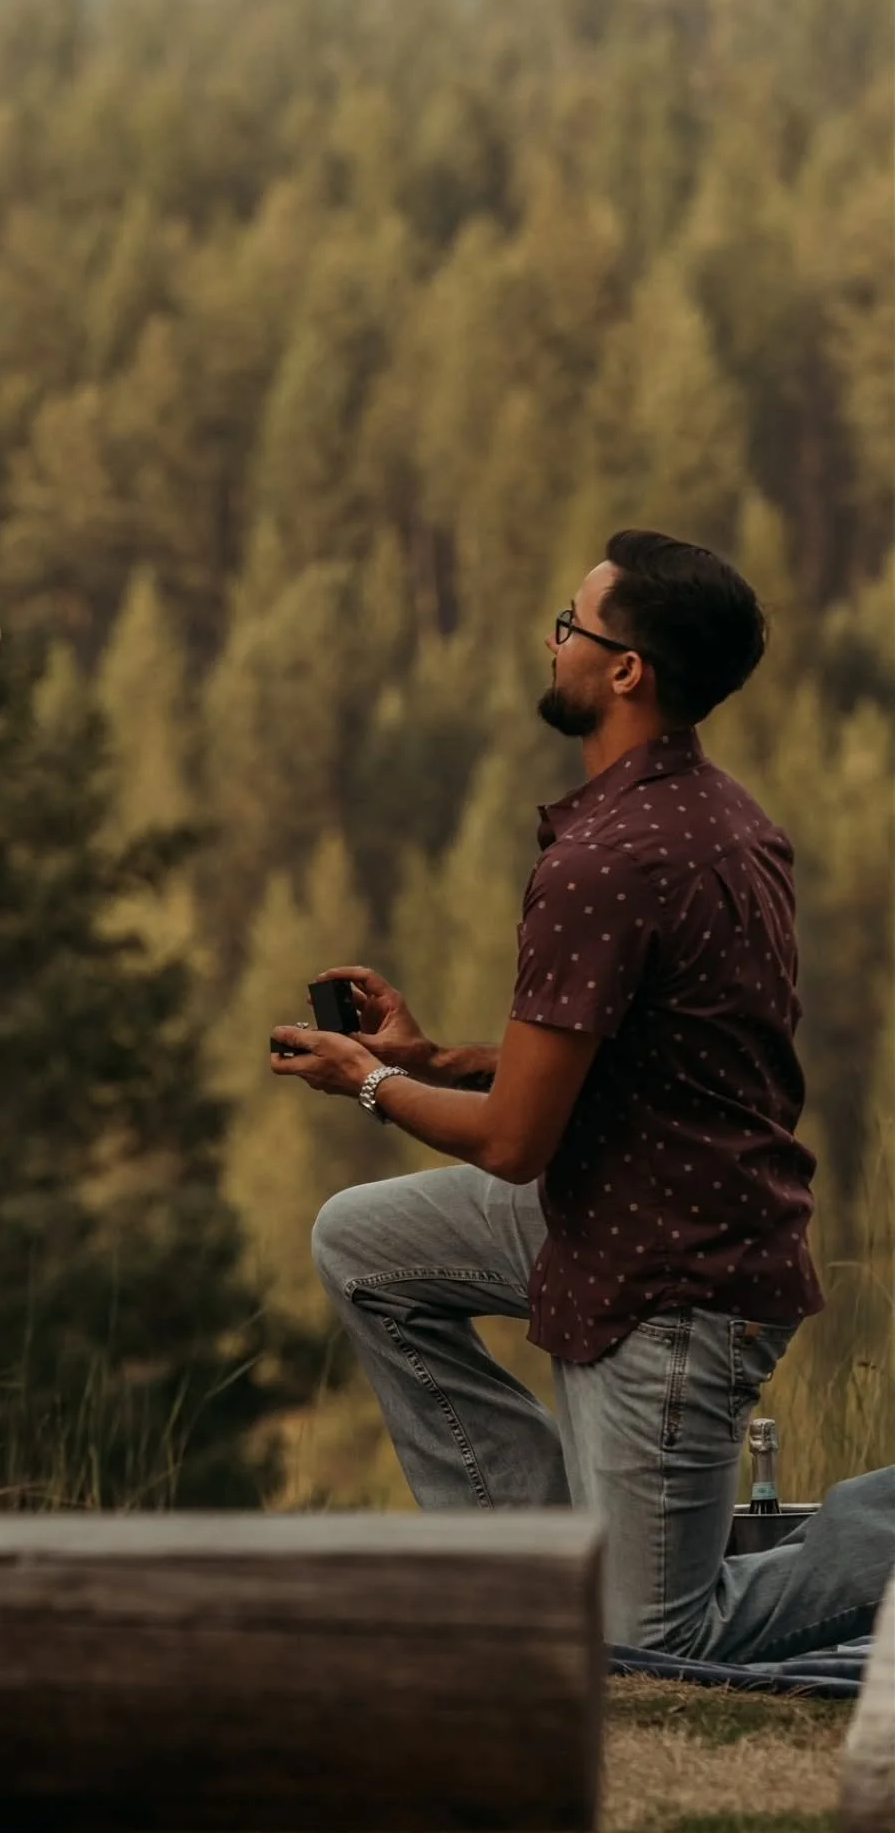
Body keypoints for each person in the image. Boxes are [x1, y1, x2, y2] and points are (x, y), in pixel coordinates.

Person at [272, 530, 895, 1658]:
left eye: (571, 625)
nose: (551, 641)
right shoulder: (720, 817)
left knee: (656, 1645)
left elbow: (514, 1145)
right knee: (364, 1245)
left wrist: (368, 1082)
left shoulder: (607, 862)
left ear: (626, 671)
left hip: (677, 1276)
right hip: (620, 1206)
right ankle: (539, 1556)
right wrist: (432, 1061)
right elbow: (651, 1055)